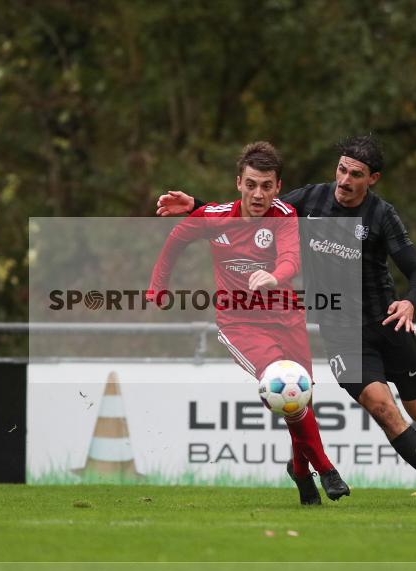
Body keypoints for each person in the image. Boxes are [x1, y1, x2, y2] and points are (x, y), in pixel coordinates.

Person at [156, 134, 416, 509]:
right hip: (342, 333)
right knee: (384, 410)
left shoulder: (381, 215)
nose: (344, 180)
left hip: (387, 323)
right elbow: (255, 206)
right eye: (341, 170)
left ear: (372, 179)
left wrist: (410, 301)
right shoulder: (311, 200)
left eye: (355, 174)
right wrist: (198, 206)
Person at [149, 141, 349, 506]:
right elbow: (176, 239)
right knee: (283, 385)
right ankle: (325, 468)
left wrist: (275, 276)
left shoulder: (285, 214)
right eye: (252, 184)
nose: (258, 194)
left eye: (267, 186)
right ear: (239, 183)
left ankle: (301, 472)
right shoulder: (214, 217)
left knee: (299, 397)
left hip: (286, 317)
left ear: (277, 187)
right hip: (240, 323)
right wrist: (157, 286)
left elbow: (291, 259)